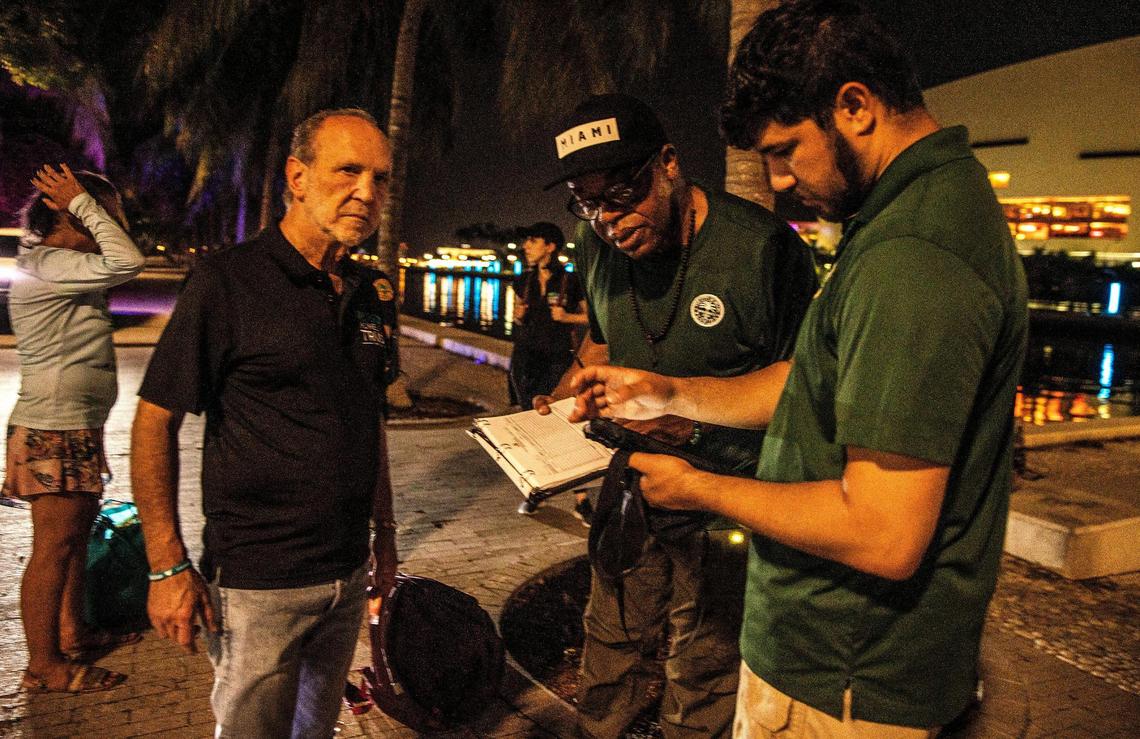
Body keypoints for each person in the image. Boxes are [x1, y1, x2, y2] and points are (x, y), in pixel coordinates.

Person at [568, 2, 1029, 736]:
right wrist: (671, 389)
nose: (779, 180)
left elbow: (883, 530)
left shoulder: (912, 256)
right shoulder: (905, 216)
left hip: (843, 676)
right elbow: (816, 378)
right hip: (837, 661)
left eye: (785, 149)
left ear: (855, 105)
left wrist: (700, 486)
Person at [541, 93, 816, 738]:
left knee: (704, 670)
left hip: (724, 505)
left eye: (622, 191)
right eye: (586, 201)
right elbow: (601, 342)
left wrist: (686, 425)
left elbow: (805, 393)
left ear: (669, 163)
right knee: (609, 646)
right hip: (629, 488)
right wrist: (563, 401)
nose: (607, 219)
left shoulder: (761, 252)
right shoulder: (599, 243)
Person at [130, 108, 400, 738]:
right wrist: (167, 566)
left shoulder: (371, 290)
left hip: (345, 572)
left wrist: (383, 535)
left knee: (316, 729)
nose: (367, 192)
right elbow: (153, 420)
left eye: (381, 179)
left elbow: (371, 419)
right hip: (258, 583)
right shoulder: (228, 283)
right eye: (349, 171)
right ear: (298, 177)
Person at [4, 164, 146, 693]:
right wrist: (83, 201)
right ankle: (45, 663)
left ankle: (73, 632)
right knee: (53, 548)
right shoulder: (48, 265)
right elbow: (129, 260)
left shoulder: (64, 266)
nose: (118, 221)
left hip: (73, 427)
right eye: (111, 212)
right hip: (53, 428)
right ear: (76, 213)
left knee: (74, 538)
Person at [507, 221, 594, 523]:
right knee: (529, 426)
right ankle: (536, 491)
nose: (525, 246)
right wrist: (518, 317)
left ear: (550, 246)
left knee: (566, 425)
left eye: (532, 240)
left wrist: (567, 316)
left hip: (559, 361)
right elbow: (518, 319)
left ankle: (580, 499)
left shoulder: (570, 281)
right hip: (525, 362)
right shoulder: (523, 281)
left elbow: (591, 319)